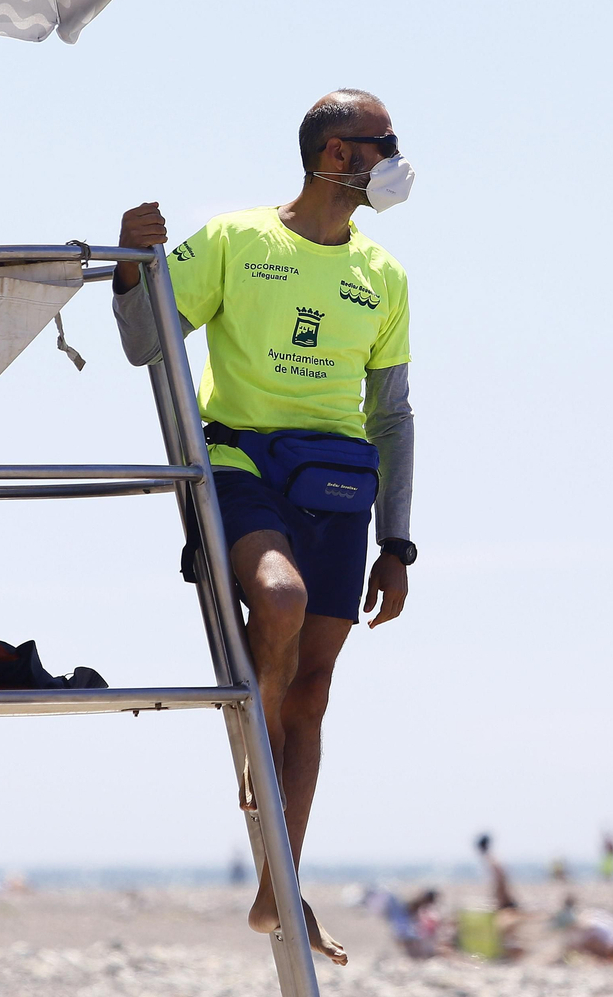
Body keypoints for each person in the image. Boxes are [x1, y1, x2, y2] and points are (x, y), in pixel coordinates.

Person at [111, 89, 417, 967]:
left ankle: (277, 884)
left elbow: (392, 417)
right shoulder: (240, 238)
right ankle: (259, 759)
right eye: (381, 143)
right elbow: (148, 345)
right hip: (240, 457)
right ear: (334, 156)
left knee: (311, 693)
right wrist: (136, 271)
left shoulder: (384, 275)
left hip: (338, 479)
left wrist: (397, 543)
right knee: (276, 603)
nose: (396, 158)